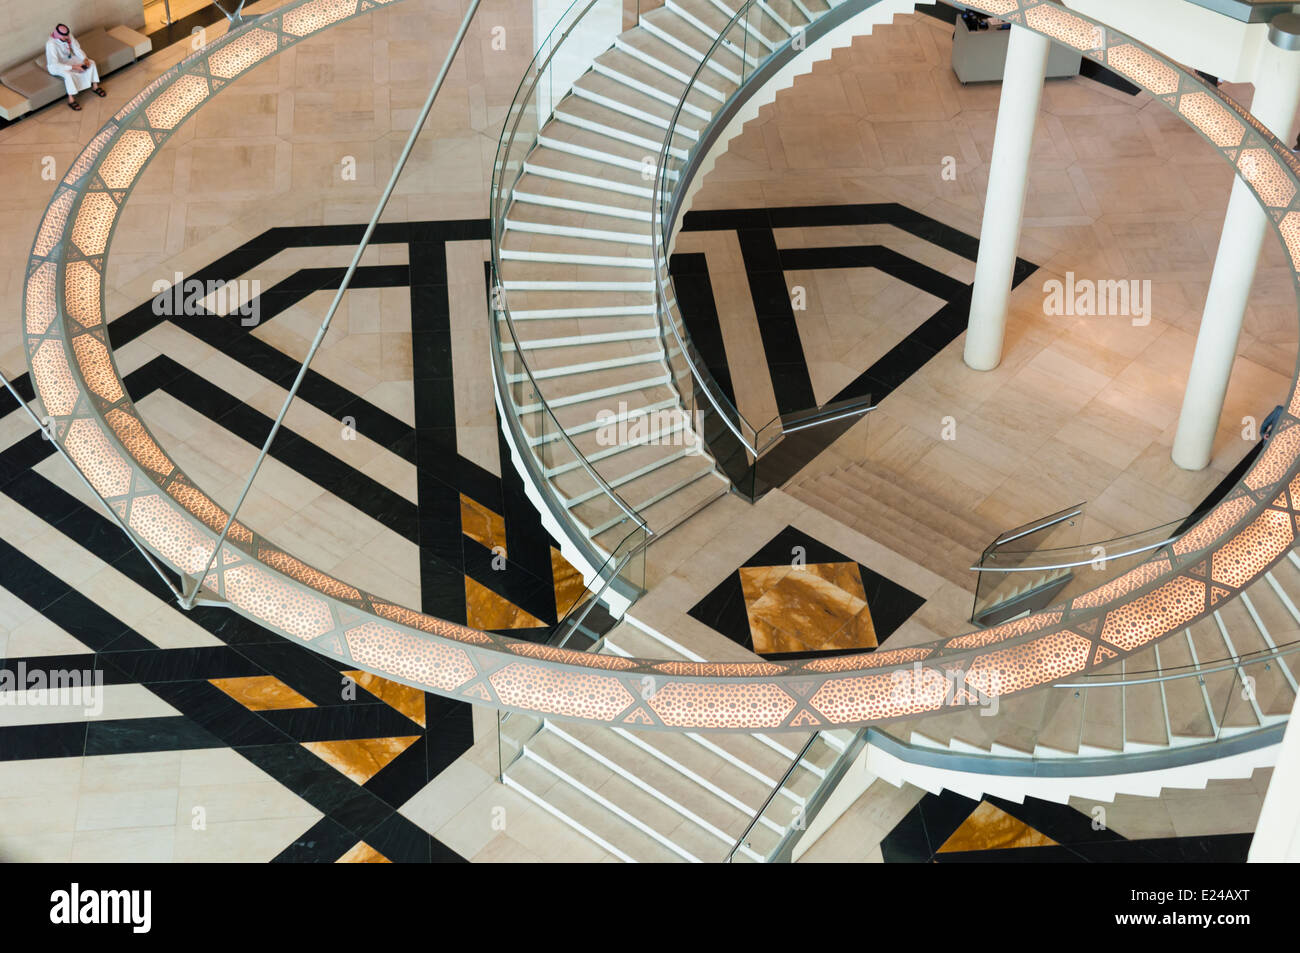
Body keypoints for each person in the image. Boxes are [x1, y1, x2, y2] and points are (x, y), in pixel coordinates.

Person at [45, 24, 106, 111]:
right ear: (58, 36)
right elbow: (54, 64)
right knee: (68, 75)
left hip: (69, 59)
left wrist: (85, 59)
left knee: (91, 63)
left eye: (67, 35)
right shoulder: (51, 44)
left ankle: (95, 86)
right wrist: (74, 67)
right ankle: (71, 100)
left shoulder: (68, 36)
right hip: (57, 66)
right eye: (64, 36)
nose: (67, 38)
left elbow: (77, 48)